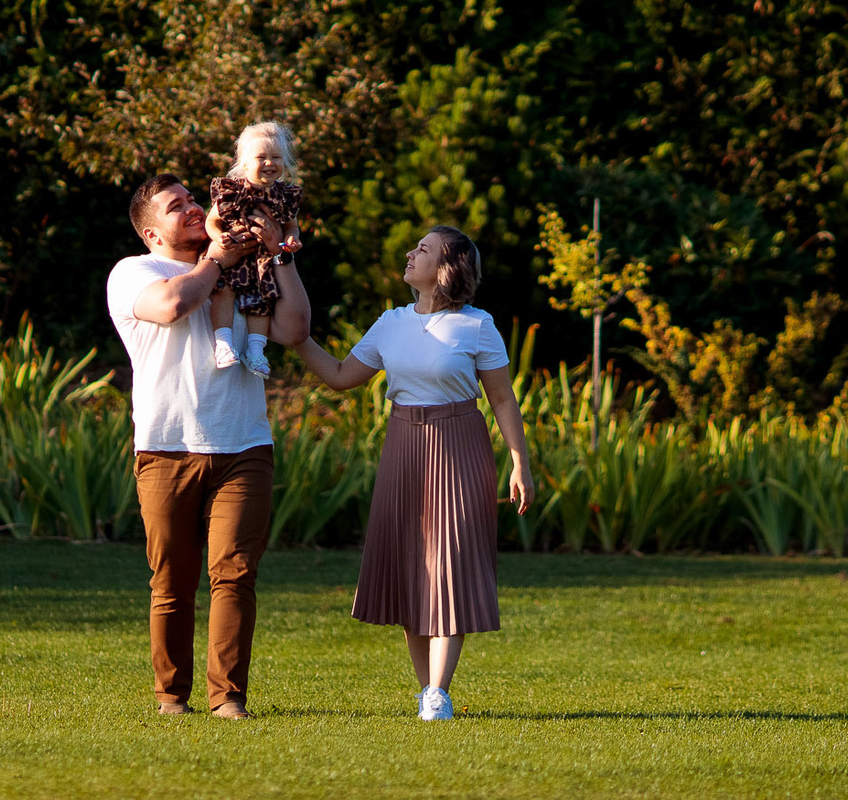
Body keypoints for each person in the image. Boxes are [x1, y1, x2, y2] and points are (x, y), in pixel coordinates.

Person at [293, 226, 534, 722]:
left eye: (422, 249)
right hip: (403, 446)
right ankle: (428, 691)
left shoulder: (477, 325)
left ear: (447, 266)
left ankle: (440, 692)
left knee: (452, 562)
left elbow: (503, 399)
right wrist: (297, 340)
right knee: (411, 568)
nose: (409, 253)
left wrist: (519, 463)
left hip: (460, 444)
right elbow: (340, 376)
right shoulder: (390, 323)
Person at [108, 171, 312, 717]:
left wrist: (279, 254)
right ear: (152, 233)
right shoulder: (135, 272)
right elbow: (173, 305)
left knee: (236, 573)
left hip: (244, 444)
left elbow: (294, 331)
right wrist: (216, 261)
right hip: (166, 448)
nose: (194, 208)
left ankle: (229, 699)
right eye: (178, 206)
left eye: (194, 198)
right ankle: (172, 697)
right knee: (172, 579)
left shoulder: (245, 265)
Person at [206, 121, 306, 375]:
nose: (269, 163)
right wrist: (219, 238)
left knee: (261, 302)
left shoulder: (284, 196)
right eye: (261, 157)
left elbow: (291, 227)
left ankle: (256, 351)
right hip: (233, 256)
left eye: (276, 157)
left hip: (263, 262)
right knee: (224, 291)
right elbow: (212, 221)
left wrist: (290, 241)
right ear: (245, 163)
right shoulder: (233, 192)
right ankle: (223, 344)